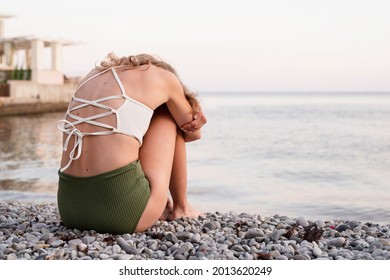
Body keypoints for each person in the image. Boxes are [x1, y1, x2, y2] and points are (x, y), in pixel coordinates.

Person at [56, 52, 207, 234]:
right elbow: (192, 132)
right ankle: (182, 208)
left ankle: (143, 192)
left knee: (128, 132)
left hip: (70, 210)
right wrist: (193, 107)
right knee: (167, 115)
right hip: (123, 215)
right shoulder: (164, 78)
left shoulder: (93, 75)